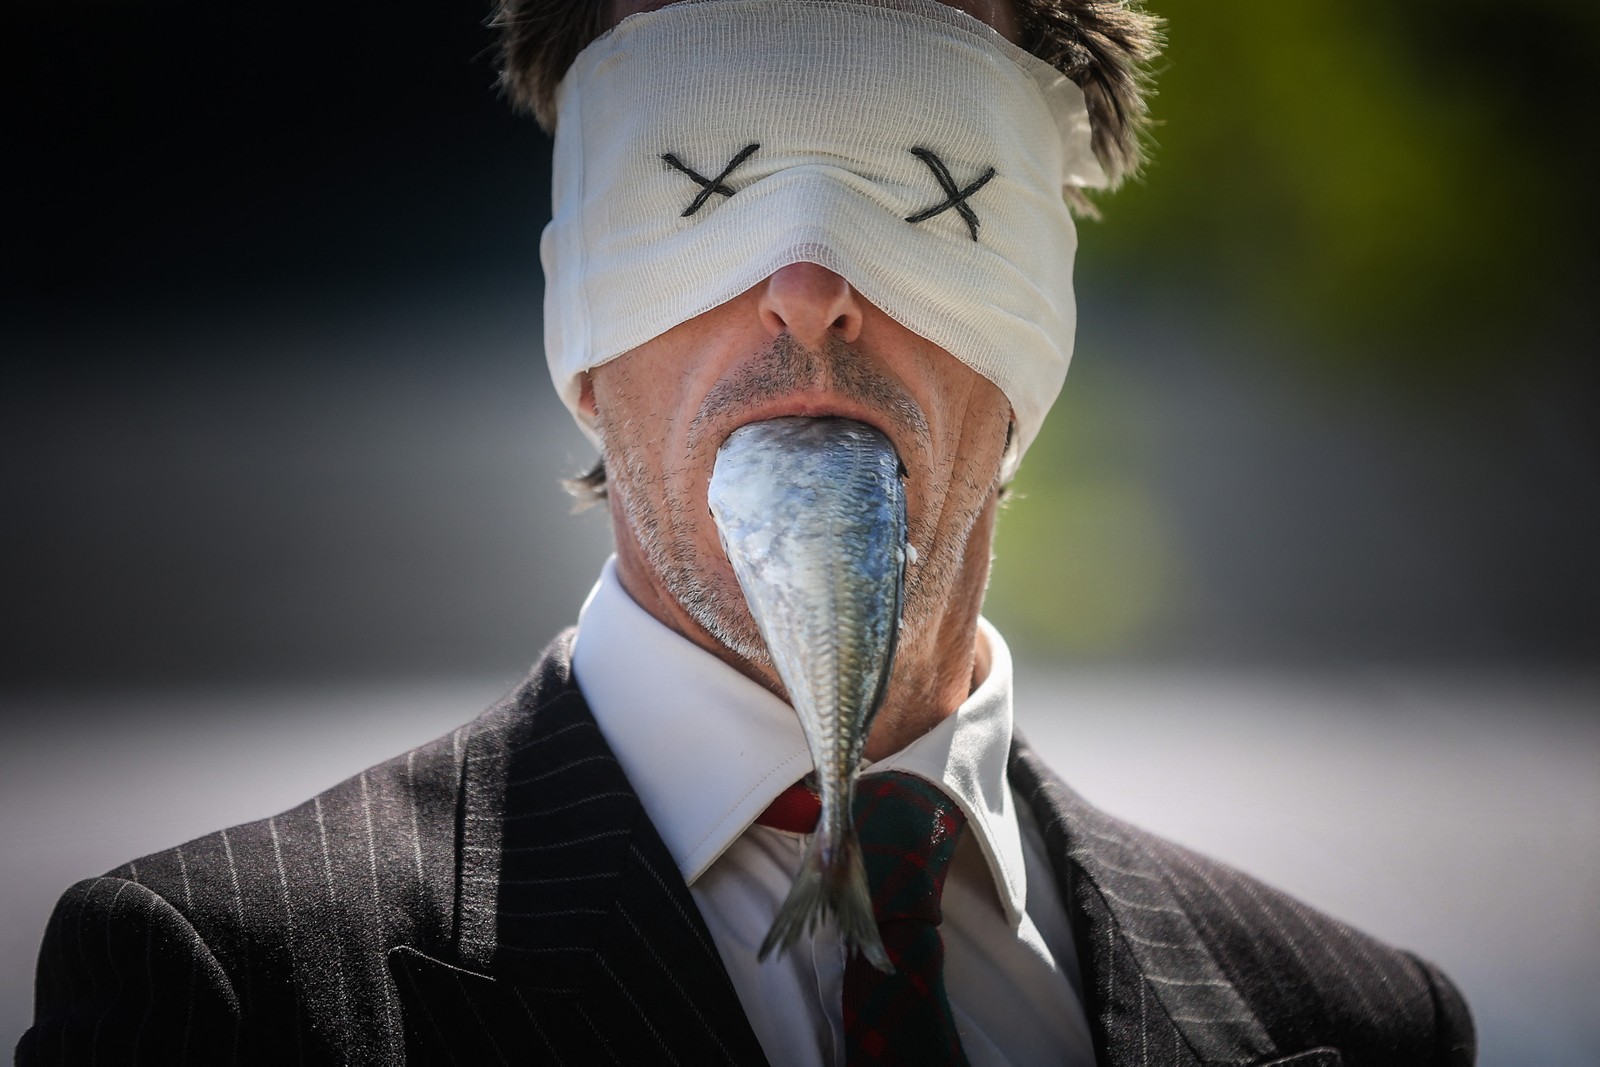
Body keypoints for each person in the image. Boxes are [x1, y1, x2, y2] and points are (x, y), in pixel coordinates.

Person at [19, 0, 1476, 1064]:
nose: (806, 283)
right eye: (701, 182)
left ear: (1040, 304)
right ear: (579, 307)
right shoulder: (219, 1000)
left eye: (926, 191)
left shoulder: (1362, 1028)